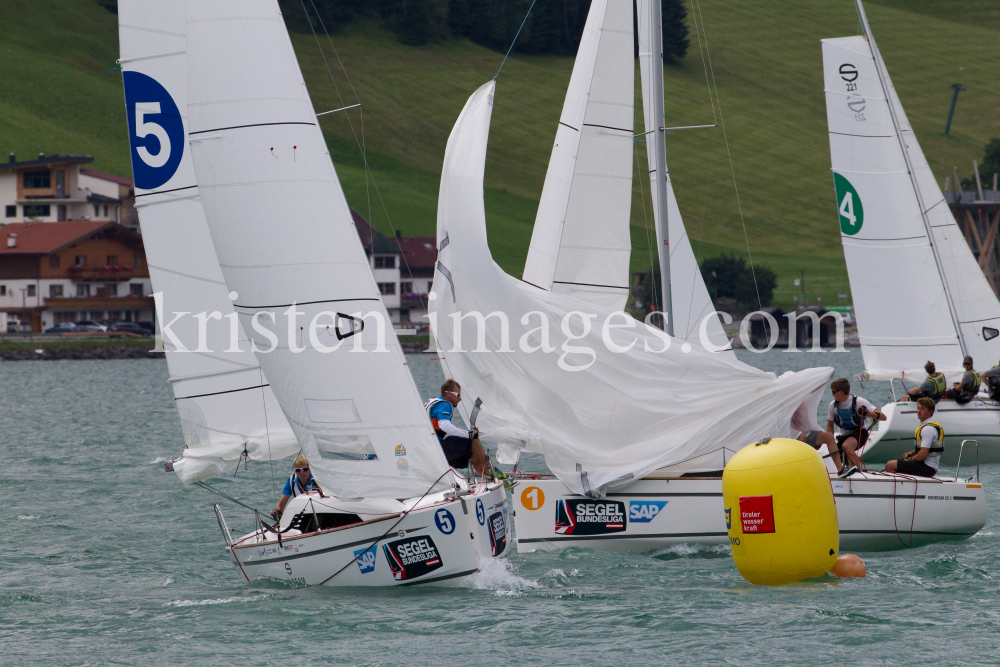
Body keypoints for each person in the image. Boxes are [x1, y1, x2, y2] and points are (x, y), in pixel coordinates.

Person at [827, 377, 886, 478]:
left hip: (860, 433)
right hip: (844, 436)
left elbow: (883, 417)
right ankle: (847, 473)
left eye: (833, 392)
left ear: (840, 392)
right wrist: (831, 439)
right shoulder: (833, 405)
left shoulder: (859, 402)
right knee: (840, 454)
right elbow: (830, 424)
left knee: (846, 446)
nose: (832, 394)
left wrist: (869, 413)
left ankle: (858, 474)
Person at [425, 379, 487, 475]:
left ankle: (487, 474)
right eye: (458, 395)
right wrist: (469, 434)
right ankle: (491, 473)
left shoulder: (433, 403)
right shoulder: (445, 404)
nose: (460, 399)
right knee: (473, 438)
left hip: (429, 450)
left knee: (472, 456)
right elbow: (444, 425)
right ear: (449, 394)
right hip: (437, 449)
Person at [886, 398, 943, 478]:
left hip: (927, 468)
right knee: (898, 462)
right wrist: (910, 453)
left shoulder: (928, 429)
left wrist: (910, 458)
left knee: (890, 465)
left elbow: (923, 454)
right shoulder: (927, 426)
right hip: (926, 466)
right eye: (918, 408)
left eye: (922, 409)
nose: (919, 411)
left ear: (930, 412)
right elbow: (924, 449)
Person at [271, 455, 320, 520]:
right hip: (300, 516)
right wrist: (277, 511)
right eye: (298, 470)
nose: (302, 472)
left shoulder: (318, 478)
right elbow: (281, 505)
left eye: (305, 469)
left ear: (310, 468)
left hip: (318, 514)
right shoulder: (291, 480)